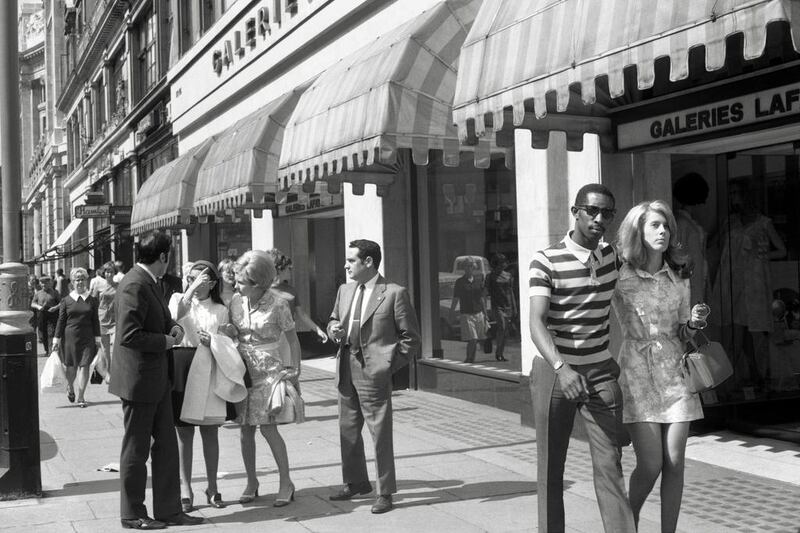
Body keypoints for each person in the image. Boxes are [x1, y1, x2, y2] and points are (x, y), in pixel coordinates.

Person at [528, 183, 635, 533]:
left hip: (600, 370)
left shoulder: (613, 258)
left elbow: (655, 259)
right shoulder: (545, 260)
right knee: (551, 468)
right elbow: (536, 322)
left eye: (607, 213)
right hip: (555, 371)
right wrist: (562, 369)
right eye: (592, 211)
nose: (599, 219)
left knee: (611, 465)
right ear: (576, 212)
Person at [612, 200, 711, 532]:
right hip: (637, 372)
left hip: (675, 373)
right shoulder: (620, 274)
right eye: (655, 225)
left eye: (667, 226)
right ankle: (627, 524)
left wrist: (694, 323)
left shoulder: (679, 276)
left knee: (675, 462)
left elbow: (683, 333)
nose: (663, 231)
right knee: (651, 463)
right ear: (638, 230)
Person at [108, 230, 204, 530]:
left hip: (156, 377)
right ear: (164, 256)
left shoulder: (147, 282)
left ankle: (169, 509)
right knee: (137, 448)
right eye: (170, 256)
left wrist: (172, 328)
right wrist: (166, 340)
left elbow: (156, 319)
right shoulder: (135, 284)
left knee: (166, 446)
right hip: (140, 380)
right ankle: (132, 513)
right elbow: (128, 335)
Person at [326, 239, 421, 514]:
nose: (346, 265)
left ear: (368, 262)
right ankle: (356, 482)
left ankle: (385, 491)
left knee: (380, 433)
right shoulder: (345, 290)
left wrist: (386, 365)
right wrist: (333, 329)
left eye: (351, 260)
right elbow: (333, 318)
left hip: (374, 372)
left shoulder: (393, 293)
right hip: (346, 368)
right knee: (347, 430)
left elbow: (411, 339)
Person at [228, 250, 302, 507]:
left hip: (269, 372)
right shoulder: (236, 302)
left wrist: (293, 371)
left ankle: (286, 482)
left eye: (241, 281)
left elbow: (292, 339)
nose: (236, 285)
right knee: (244, 430)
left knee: (269, 429)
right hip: (242, 371)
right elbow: (233, 332)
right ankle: (252, 481)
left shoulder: (278, 304)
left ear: (258, 283)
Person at [168, 261, 230, 513]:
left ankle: (213, 486)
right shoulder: (179, 298)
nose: (191, 281)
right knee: (183, 432)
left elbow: (227, 339)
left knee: (210, 431)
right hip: (182, 363)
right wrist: (190, 289)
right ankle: (185, 487)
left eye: (199, 279)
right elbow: (174, 316)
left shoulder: (220, 309)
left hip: (208, 364)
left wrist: (214, 339)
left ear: (213, 284)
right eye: (188, 277)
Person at [52, 268, 101, 408]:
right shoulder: (66, 300)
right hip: (70, 338)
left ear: (86, 281)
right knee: (71, 368)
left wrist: (98, 340)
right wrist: (56, 340)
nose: (80, 281)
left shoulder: (92, 300)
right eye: (77, 279)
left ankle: (81, 396)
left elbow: (95, 321)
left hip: (87, 337)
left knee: (85, 366)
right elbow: (60, 321)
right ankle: (70, 388)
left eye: (82, 278)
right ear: (72, 282)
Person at [265, 248, 329, 343]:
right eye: (289, 268)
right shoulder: (263, 290)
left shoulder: (291, 290)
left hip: (288, 337)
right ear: (279, 269)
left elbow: (302, 314)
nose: (291, 270)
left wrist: (317, 329)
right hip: (268, 338)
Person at [673, 172, 710, 306]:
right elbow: (678, 255)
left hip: (696, 278)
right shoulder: (682, 224)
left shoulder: (687, 222)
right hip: (689, 282)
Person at [448, 258, 487, 363]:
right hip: (466, 314)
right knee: (472, 338)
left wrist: (485, 315)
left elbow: (481, 298)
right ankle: (468, 358)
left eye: (471, 266)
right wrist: (451, 312)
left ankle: (471, 358)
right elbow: (456, 298)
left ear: (474, 268)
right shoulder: (460, 282)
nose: (469, 268)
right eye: (467, 266)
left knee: (476, 339)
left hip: (478, 313)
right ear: (464, 268)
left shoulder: (478, 281)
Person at [485, 253, 516, 362]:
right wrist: (484, 310)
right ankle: (498, 352)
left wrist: (514, 307)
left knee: (505, 331)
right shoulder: (490, 276)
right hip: (497, 306)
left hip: (508, 306)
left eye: (504, 262)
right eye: (502, 262)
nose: (504, 264)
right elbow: (485, 293)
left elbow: (511, 292)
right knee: (502, 327)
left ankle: (500, 353)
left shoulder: (508, 276)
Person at [97, 262, 118, 382]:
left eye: (111, 271)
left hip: (115, 320)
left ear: (114, 273)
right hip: (102, 319)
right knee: (105, 350)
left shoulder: (119, 286)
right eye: (106, 271)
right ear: (104, 273)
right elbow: (94, 303)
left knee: (114, 347)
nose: (108, 274)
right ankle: (108, 373)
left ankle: (114, 372)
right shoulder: (99, 286)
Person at [31, 275, 60, 355]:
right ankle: (47, 350)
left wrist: (55, 308)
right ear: (40, 284)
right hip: (42, 313)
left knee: (51, 332)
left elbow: (61, 303)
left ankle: (51, 350)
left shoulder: (55, 292)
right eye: (42, 283)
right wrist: (38, 307)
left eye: (46, 283)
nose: (44, 285)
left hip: (52, 313)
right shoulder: (38, 293)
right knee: (43, 332)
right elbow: (33, 303)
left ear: (50, 283)